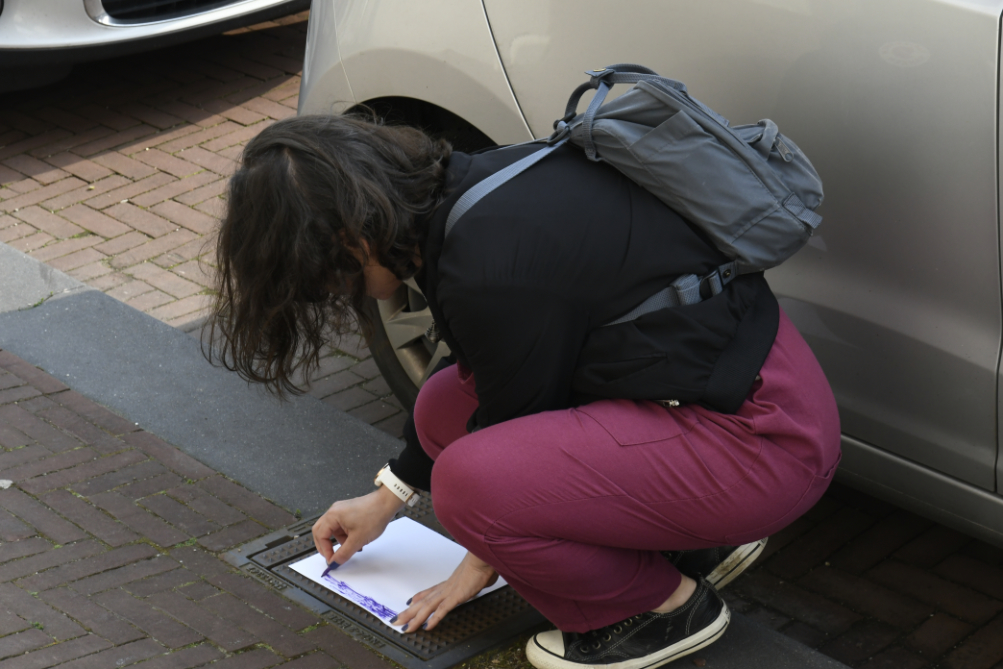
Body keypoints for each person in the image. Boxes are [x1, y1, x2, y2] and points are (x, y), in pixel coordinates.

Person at [206, 113, 841, 669]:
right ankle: (694, 540)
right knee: (443, 404)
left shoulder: (486, 273)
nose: (330, 292)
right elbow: (494, 386)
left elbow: (509, 446)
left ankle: (658, 611)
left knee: (470, 486)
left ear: (351, 237)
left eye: (322, 273)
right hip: (743, 393)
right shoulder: (475, 188)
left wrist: (474, 566)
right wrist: (387, 496)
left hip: (762, 446)